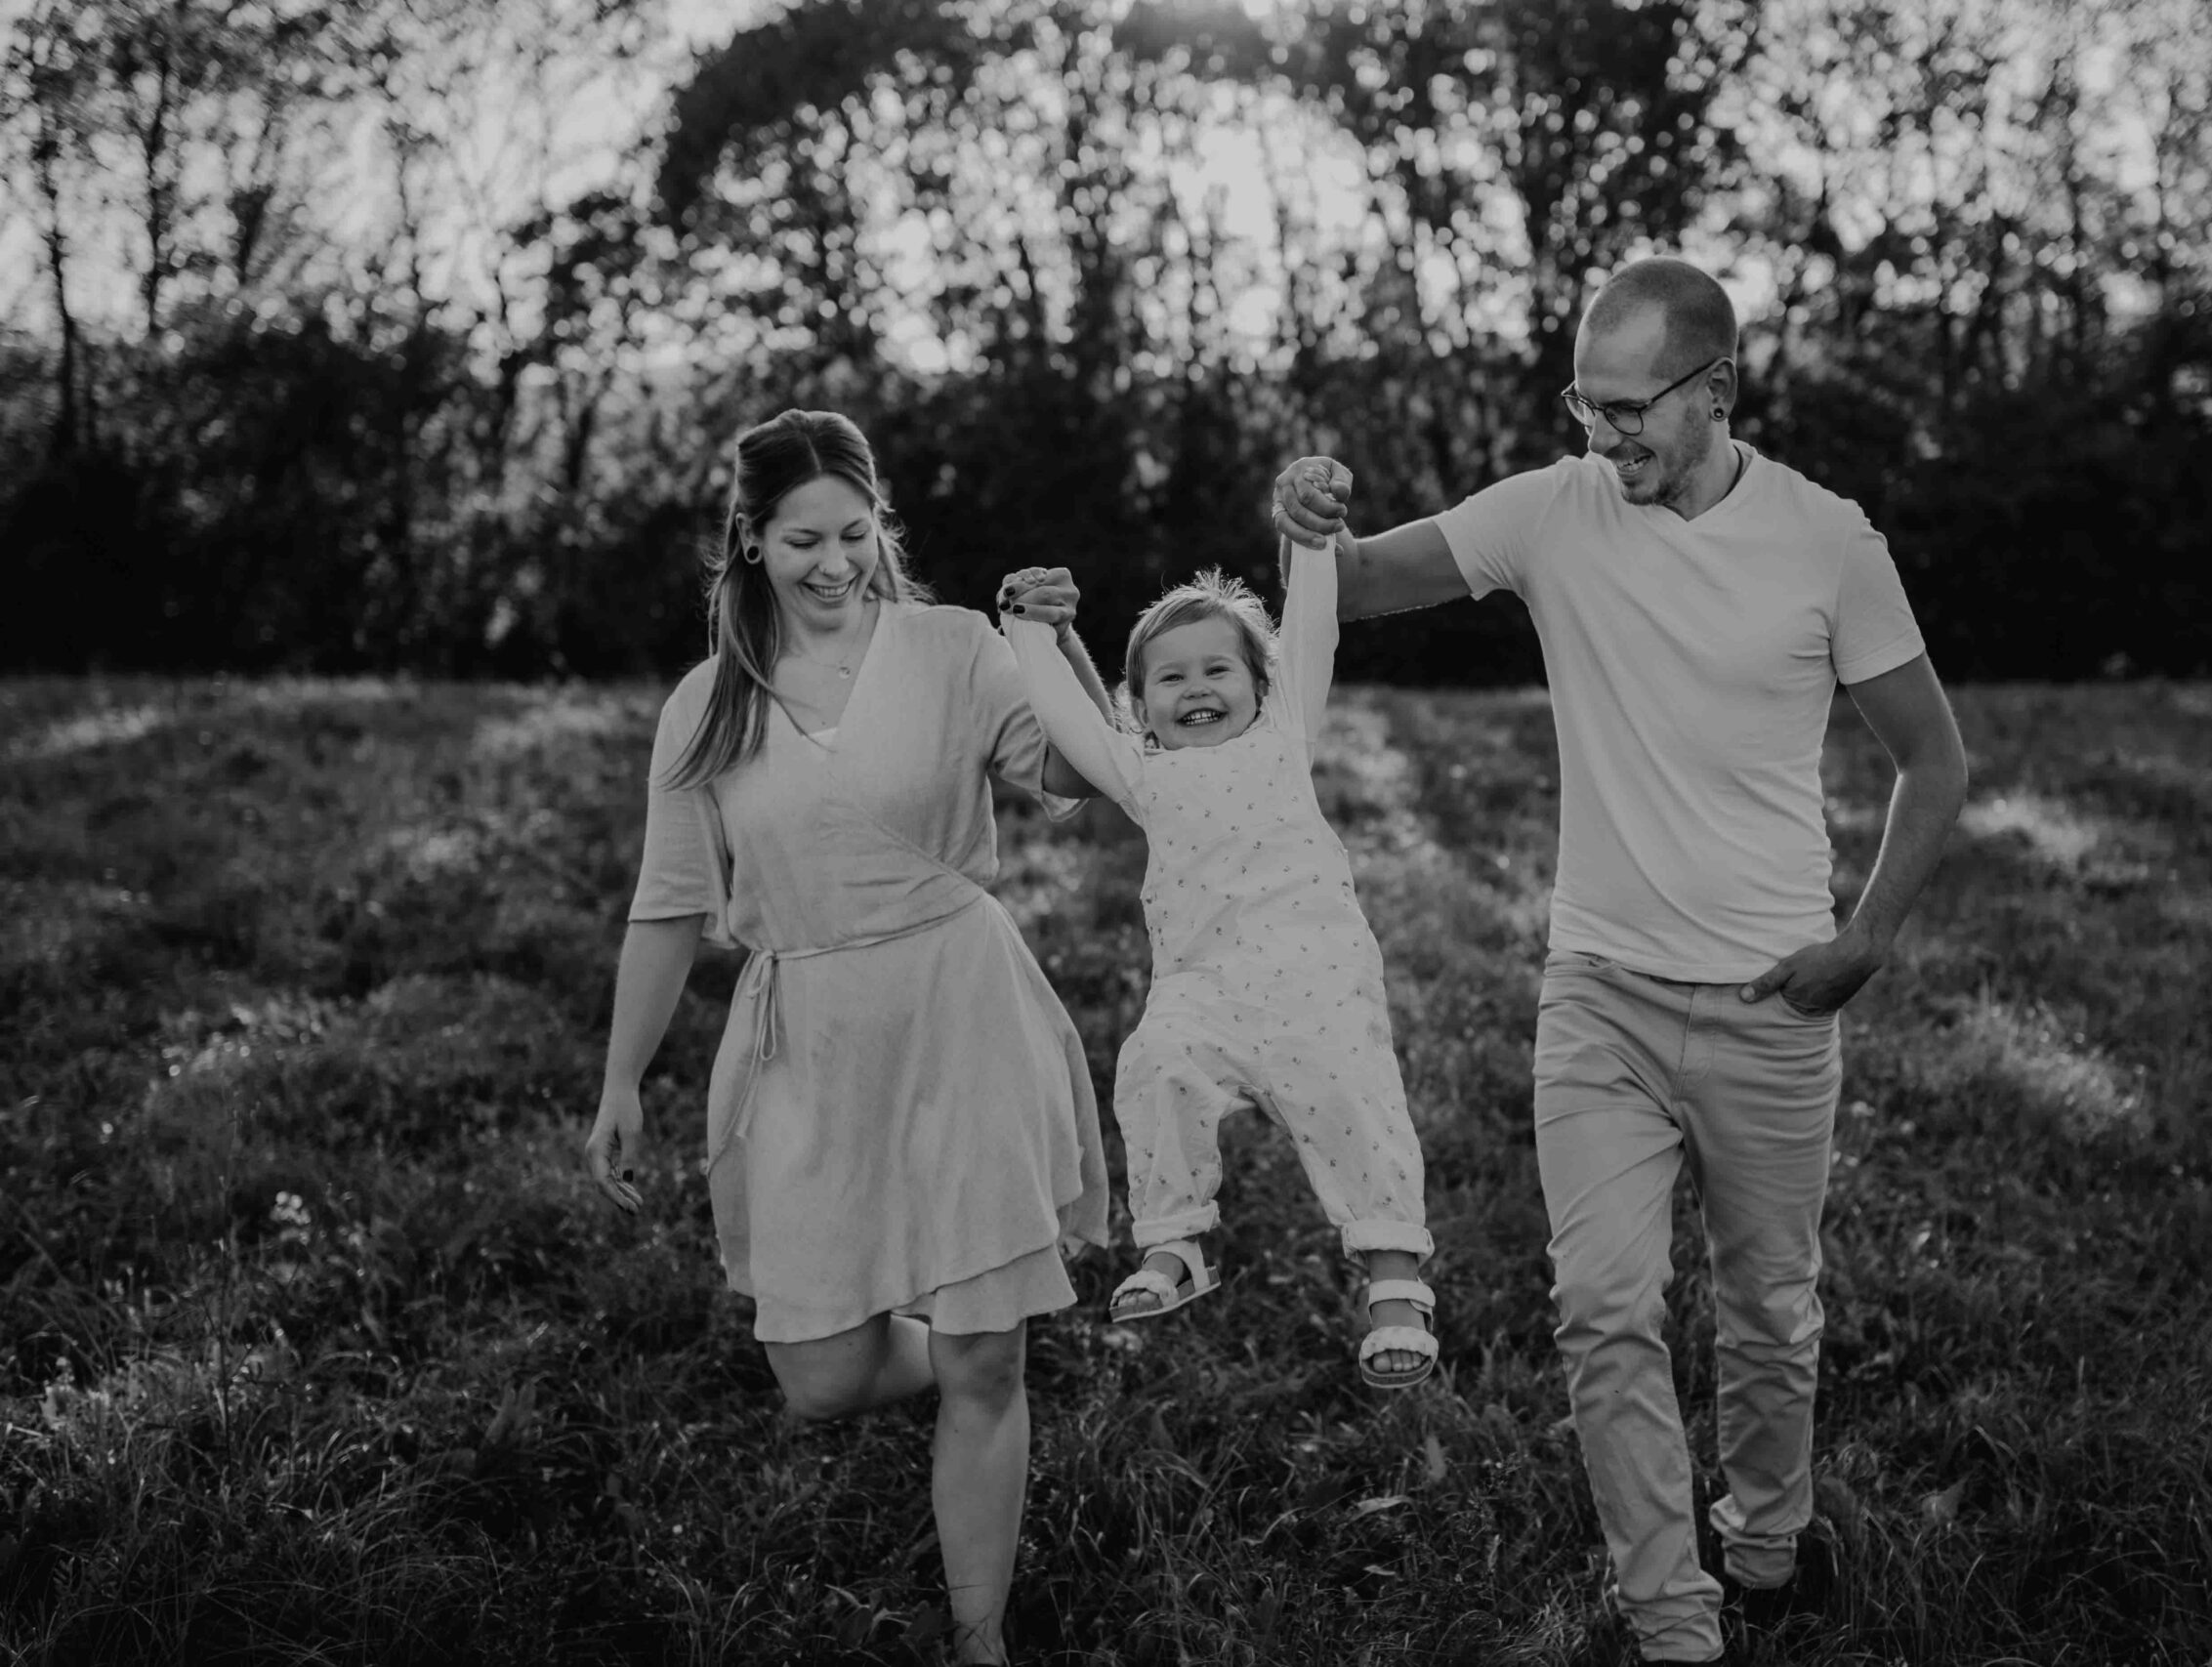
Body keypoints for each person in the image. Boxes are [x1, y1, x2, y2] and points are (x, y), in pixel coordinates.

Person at [1271, 257, 1970, 1662]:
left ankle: (1768, 1540)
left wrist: (1866, 939)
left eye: (1630, 409)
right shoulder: (1555, 511)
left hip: (1778, 998)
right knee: (1599, 1305)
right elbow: (1352, 582)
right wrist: (1301, 525)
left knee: (1771, 1307)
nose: (1604, 438)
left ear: (1716, 389)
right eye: (1584, 407)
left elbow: (1935, 759)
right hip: (1600, 993)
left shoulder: (1827, 540)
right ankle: (1672, 1617)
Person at [582, 409, 1113, 1667]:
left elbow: (1081, 773)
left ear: (884, 530)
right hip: (810, 1033)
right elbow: (666, 909)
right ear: (750, 542)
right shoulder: (708, 705)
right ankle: (967, 1340)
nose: (835, 562)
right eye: (803, 539)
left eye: (856, 534)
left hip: (960, 1002)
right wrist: (619, 1082)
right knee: (818, 1375)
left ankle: (978, 1639)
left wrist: (1060, 644)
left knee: (987, 1358)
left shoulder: (953, 647)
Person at [996, 534, 1440, 1391]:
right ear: (1141, 704)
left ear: (1260, 686)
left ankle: (1394, 1273)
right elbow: (1068, 719)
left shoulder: (1285, 737)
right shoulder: (1139, 772)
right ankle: (1176, 1241)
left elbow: (1312, 633)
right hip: (1203, 987)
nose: (1196, 688)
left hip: (1317, 977)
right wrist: (1025, 631)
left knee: (1357, 1101)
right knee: (1154, 1064)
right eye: (1171, 678)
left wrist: (1310, 545)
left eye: (1217, 671)